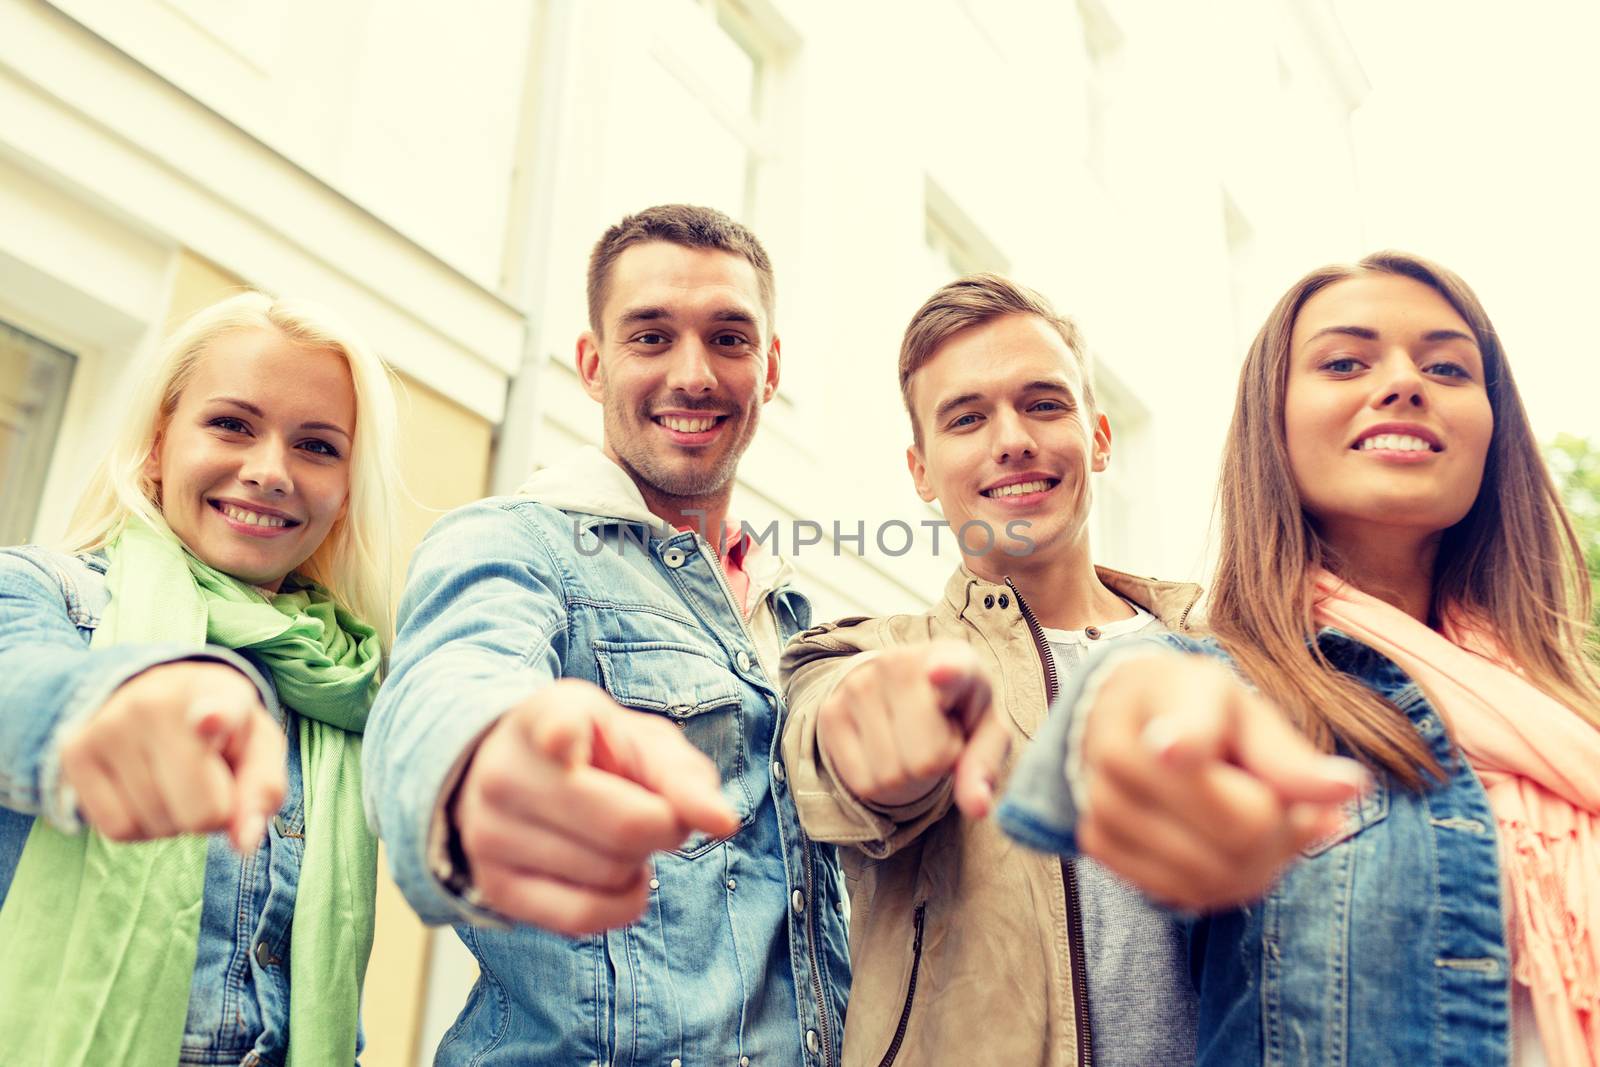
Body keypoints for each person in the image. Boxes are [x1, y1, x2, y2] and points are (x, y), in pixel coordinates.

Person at [1001, 251, 1600, 1065]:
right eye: (1345, 361)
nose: (1403, 382)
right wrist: (1135, 721)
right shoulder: (1213, 679)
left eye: (1448, 365)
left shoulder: (1575, 707)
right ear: (1272, 423)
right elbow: (1126, 699)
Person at [778, 273, 1365, 1066]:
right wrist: (878, 724)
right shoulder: (863, 655)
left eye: (1044, 403)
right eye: (967, 417)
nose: (1011, 438)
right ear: (921, 470)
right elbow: (835, 740)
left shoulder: (1242, 645)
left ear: (1099, 436)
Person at [365, 203, 849, 1066]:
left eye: (729, 338)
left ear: (770, 368)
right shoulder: (515, 541)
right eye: (651, 336)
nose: (693, 373)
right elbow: (453, 681)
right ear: (593, 364)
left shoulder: (788, 614)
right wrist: (475, 767)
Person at [0, 291, 400, 1066]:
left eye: (317, 446)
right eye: (231, 425)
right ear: (157, 443)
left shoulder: (353, 684)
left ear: (347, 489)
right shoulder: (42, 593)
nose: (269, 471)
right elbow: (17, 686)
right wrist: (121, 703)